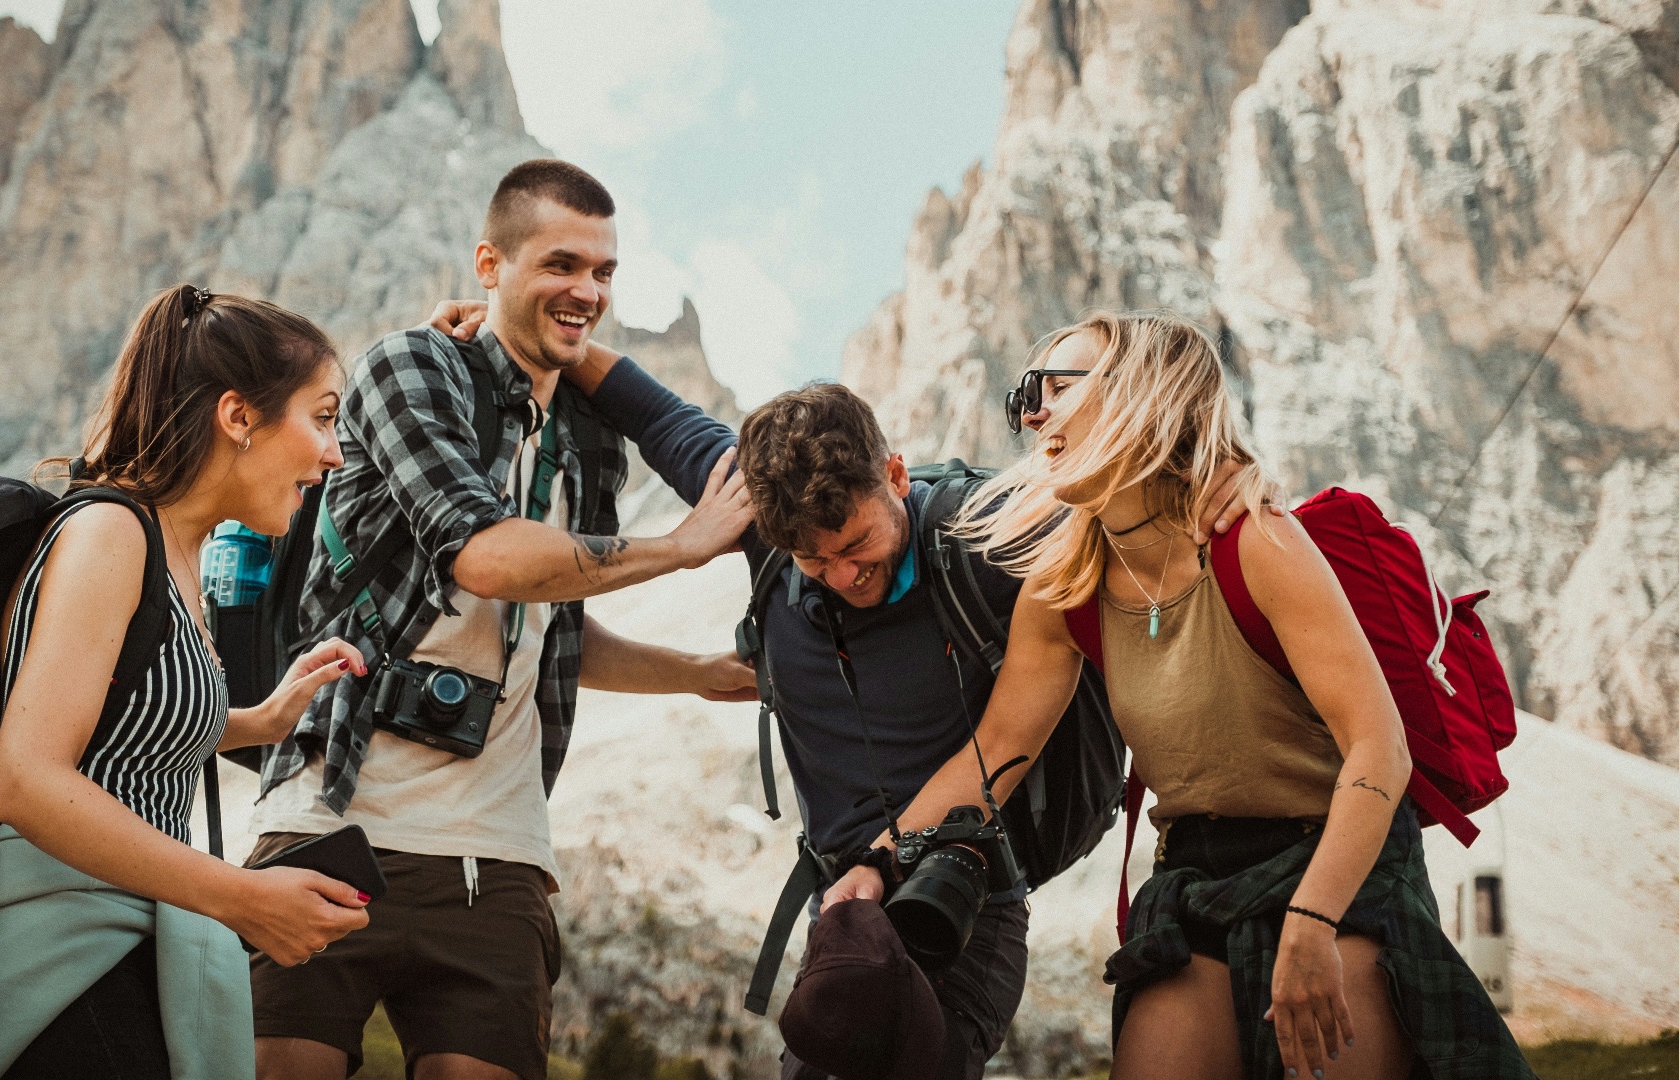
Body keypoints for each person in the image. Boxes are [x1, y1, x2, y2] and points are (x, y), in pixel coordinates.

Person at [426, 298, 1258, 1080]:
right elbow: (655, 414)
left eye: (857, 544)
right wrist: (523, 329)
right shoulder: (763, 527)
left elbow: (1136, 498)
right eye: (813, 561)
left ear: (896, 474)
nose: (844, 575)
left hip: (961, 899)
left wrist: (1223, 482)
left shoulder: (984, 537)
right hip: (846, 913)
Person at [247, 160, 757, 1080]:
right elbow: (482, 555)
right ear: (490, 263)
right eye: (562, 264)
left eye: (604, 272)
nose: (587, 291)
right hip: (331, 819)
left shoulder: (590, 437)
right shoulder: (411, 368)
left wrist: (694, 673)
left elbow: (548, 628)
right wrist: (682, 548)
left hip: (499, 856)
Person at [957, 311, 1533, 1079]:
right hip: (1194, 871)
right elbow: (993, 753)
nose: (1032, 413)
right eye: (1027, 394)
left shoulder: (1256, 542)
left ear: (1144, 393)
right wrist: (878, 861)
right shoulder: (1063, 589)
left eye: (1058, 387)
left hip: (1337, 855)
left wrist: (1315, 916)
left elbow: (1379, 750)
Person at [0, 284, 377, 1080]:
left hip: (121, 944)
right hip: (55, 964)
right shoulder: (111, 532)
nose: (334, 452)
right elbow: (27, 782)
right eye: (320, 417)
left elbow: (120, 723)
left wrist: (262, 719)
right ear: (239, 418)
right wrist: (241, 897)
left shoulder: (176, 552)